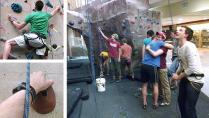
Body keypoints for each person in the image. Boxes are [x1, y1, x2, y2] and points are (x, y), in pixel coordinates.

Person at [172, 26, 204, 118]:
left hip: (195, 80)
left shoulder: (189, 46)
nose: (177, 31)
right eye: (177, 29)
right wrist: (176, 74)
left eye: (180, 30)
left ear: (186, 35)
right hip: (186, 77)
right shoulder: (179, 47)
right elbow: (182, 65)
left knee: (189, 107)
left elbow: (192, 67)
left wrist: (178, 77)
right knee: (181, 102)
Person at [141, 31, 173, 110]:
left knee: (144, 85)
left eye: (160, 36)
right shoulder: (160, 43)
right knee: (156, 85)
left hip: (144, 64)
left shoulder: (149, 42)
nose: (159, 37)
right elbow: (171, 47)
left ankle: (145, 103)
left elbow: (144, 50)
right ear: (156, 36)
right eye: (158, 36)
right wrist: (163, 40)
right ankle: (155, 103)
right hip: (153, 66)